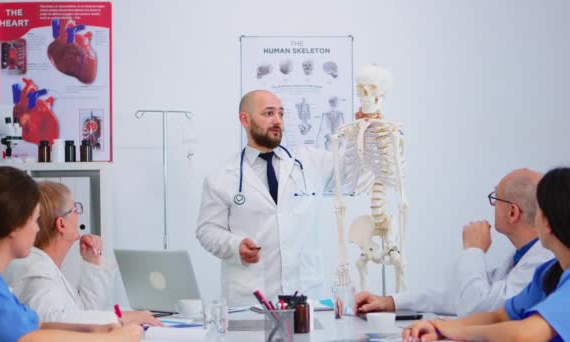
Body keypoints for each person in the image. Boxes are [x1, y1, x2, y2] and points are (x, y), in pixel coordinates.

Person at [0, 166, 141, 341]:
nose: (37, 228)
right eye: (34, 220)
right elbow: (30, 338)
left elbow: (36, 325)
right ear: (13, 226)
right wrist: (113, 338)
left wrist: (96, 328)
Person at [196, 90, 336, 306]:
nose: (277, 121)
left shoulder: (309, 161)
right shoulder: (222, 177)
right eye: (269, 113)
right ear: (245, 119)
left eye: (281, 114)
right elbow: (207, 230)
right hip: (249, 296)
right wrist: (235, 245)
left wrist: (368, 129)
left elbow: (354, 168)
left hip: (305, 292)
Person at [355, 168, 553, 316]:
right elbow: (460, 296)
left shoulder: (542, 263)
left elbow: (477, 308)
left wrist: (473, 250)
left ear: (512, 212)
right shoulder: (522, 256)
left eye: (495, 198)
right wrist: (391, 302)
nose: (492, 205)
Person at [403, 167, 570, 341]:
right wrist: (439, 327)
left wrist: (459, 332)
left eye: (538, 210)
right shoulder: (547, 272)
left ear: (548, 222)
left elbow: (520, 335)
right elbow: (498, 316)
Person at [5, 181, 161, 326]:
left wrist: (92, 262)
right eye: (75, 209)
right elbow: (53, 320)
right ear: (61, 224)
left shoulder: (46, 268)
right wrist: (121, 317)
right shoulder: (36, 272)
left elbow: (82, 313)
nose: (78, 214)